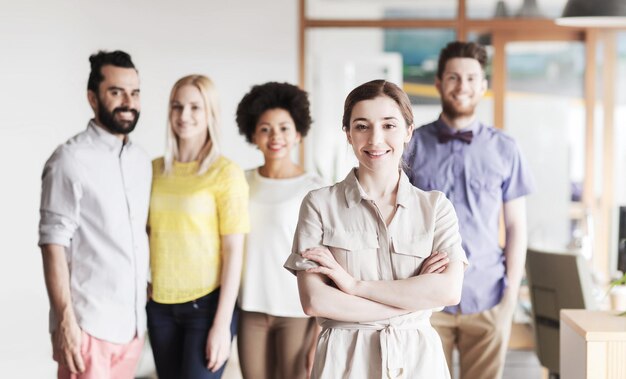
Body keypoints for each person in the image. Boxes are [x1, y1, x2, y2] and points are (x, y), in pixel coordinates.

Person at [284, 79, 468, 378]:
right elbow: (316, 300)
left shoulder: (436, 208)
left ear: (409, 130)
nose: (375, 139)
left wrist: (354, 286)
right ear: (348, 134)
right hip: (344, 362)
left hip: (418, 361)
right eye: (361, 126)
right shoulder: (319, 204)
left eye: (389, 125)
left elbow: (448, 290)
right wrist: (413, 302)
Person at [403, 41, 535, 379]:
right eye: (453, 77)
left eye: (471, 78)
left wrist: (509, 298)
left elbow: (517, 226)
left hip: (487, 294)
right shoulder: (411, 146)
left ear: (483, 86)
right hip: (425, 298)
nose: (462, 86)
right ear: (438, 83)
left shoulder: (506, 149)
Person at [39, 50, 150, 378]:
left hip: (132, 328)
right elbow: (52, 244)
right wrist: (64, 322)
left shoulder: (141, 161)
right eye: (116, 92)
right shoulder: (69, 160)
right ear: (93, 97)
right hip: (88, 327)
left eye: (135, 92)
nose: (128, 101)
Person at [146, 74, 249, 379]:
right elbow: (146, 233)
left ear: (210, 114)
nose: (184, 116)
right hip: (160, 307)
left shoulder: (225, 173)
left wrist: (221, 324)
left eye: (195, 107)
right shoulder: (153, 170)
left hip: (206, 307)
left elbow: (234, 252)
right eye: (177, 107)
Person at [235, 82, 324, 379]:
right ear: (253, 135)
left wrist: (319, 331)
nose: (276, 137)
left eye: (284, 128)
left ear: (298, 133)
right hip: (250, 307)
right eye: (265, 129)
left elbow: (323, 261)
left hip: (296, 310)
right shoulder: (238, 182)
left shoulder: (315, 187)